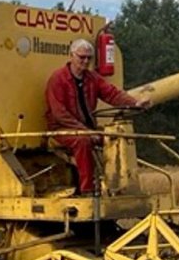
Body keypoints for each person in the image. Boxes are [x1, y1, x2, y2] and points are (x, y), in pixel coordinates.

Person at [45, 38, 150, 194]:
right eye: (82, 57)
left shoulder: (92, 78)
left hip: (87, 129)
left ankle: (117, 186)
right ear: (71, 56)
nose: (86, 61)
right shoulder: (57, 79)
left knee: (114, 137)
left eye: (89, 58)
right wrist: (86, 131)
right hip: (61, 129)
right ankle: (87, 190)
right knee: (83, 141)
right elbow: (59, 114)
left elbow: (112, 94)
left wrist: (135, 103)